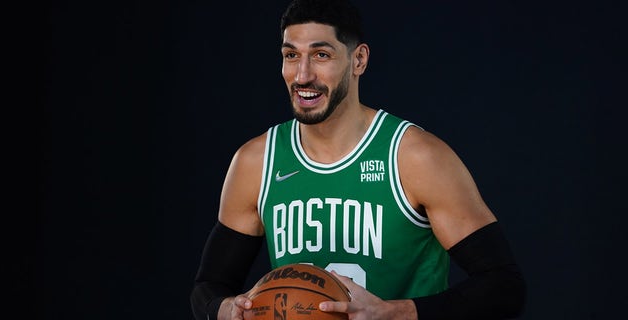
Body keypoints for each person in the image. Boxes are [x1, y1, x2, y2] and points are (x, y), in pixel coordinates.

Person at [190, 0, 526, 319]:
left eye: (321, 54)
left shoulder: (414, 157)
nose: (302, 75)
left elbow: (504, 287)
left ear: (358, 60)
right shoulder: (256, 162)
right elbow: (208, 288)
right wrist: (224, 310)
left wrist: (394, 314)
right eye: (291, 55)